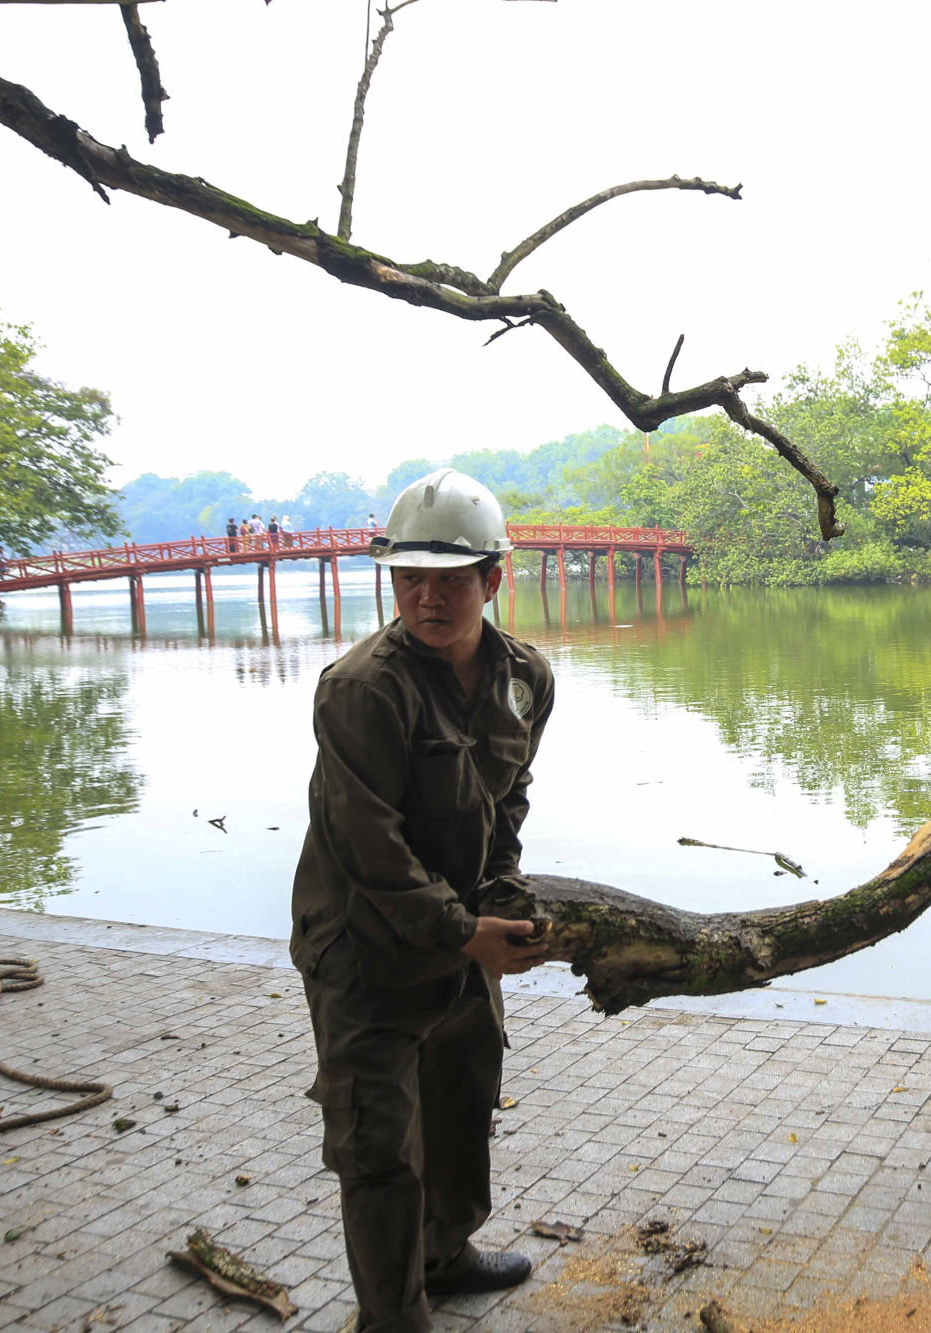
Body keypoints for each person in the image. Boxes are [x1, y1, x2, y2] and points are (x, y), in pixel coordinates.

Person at [291, 467, 553, 1332]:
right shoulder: (363, 687)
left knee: (460, 1098)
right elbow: (371, 846)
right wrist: (463, 931)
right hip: (364, 943)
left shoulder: (525, 677)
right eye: (410, 578)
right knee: (379, 1141)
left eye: (448, 578)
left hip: (464, 929)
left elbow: (506, 800)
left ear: (492, 578)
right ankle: (393, 1313)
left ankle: (446, 1253)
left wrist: (505, 902)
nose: (427, 597)